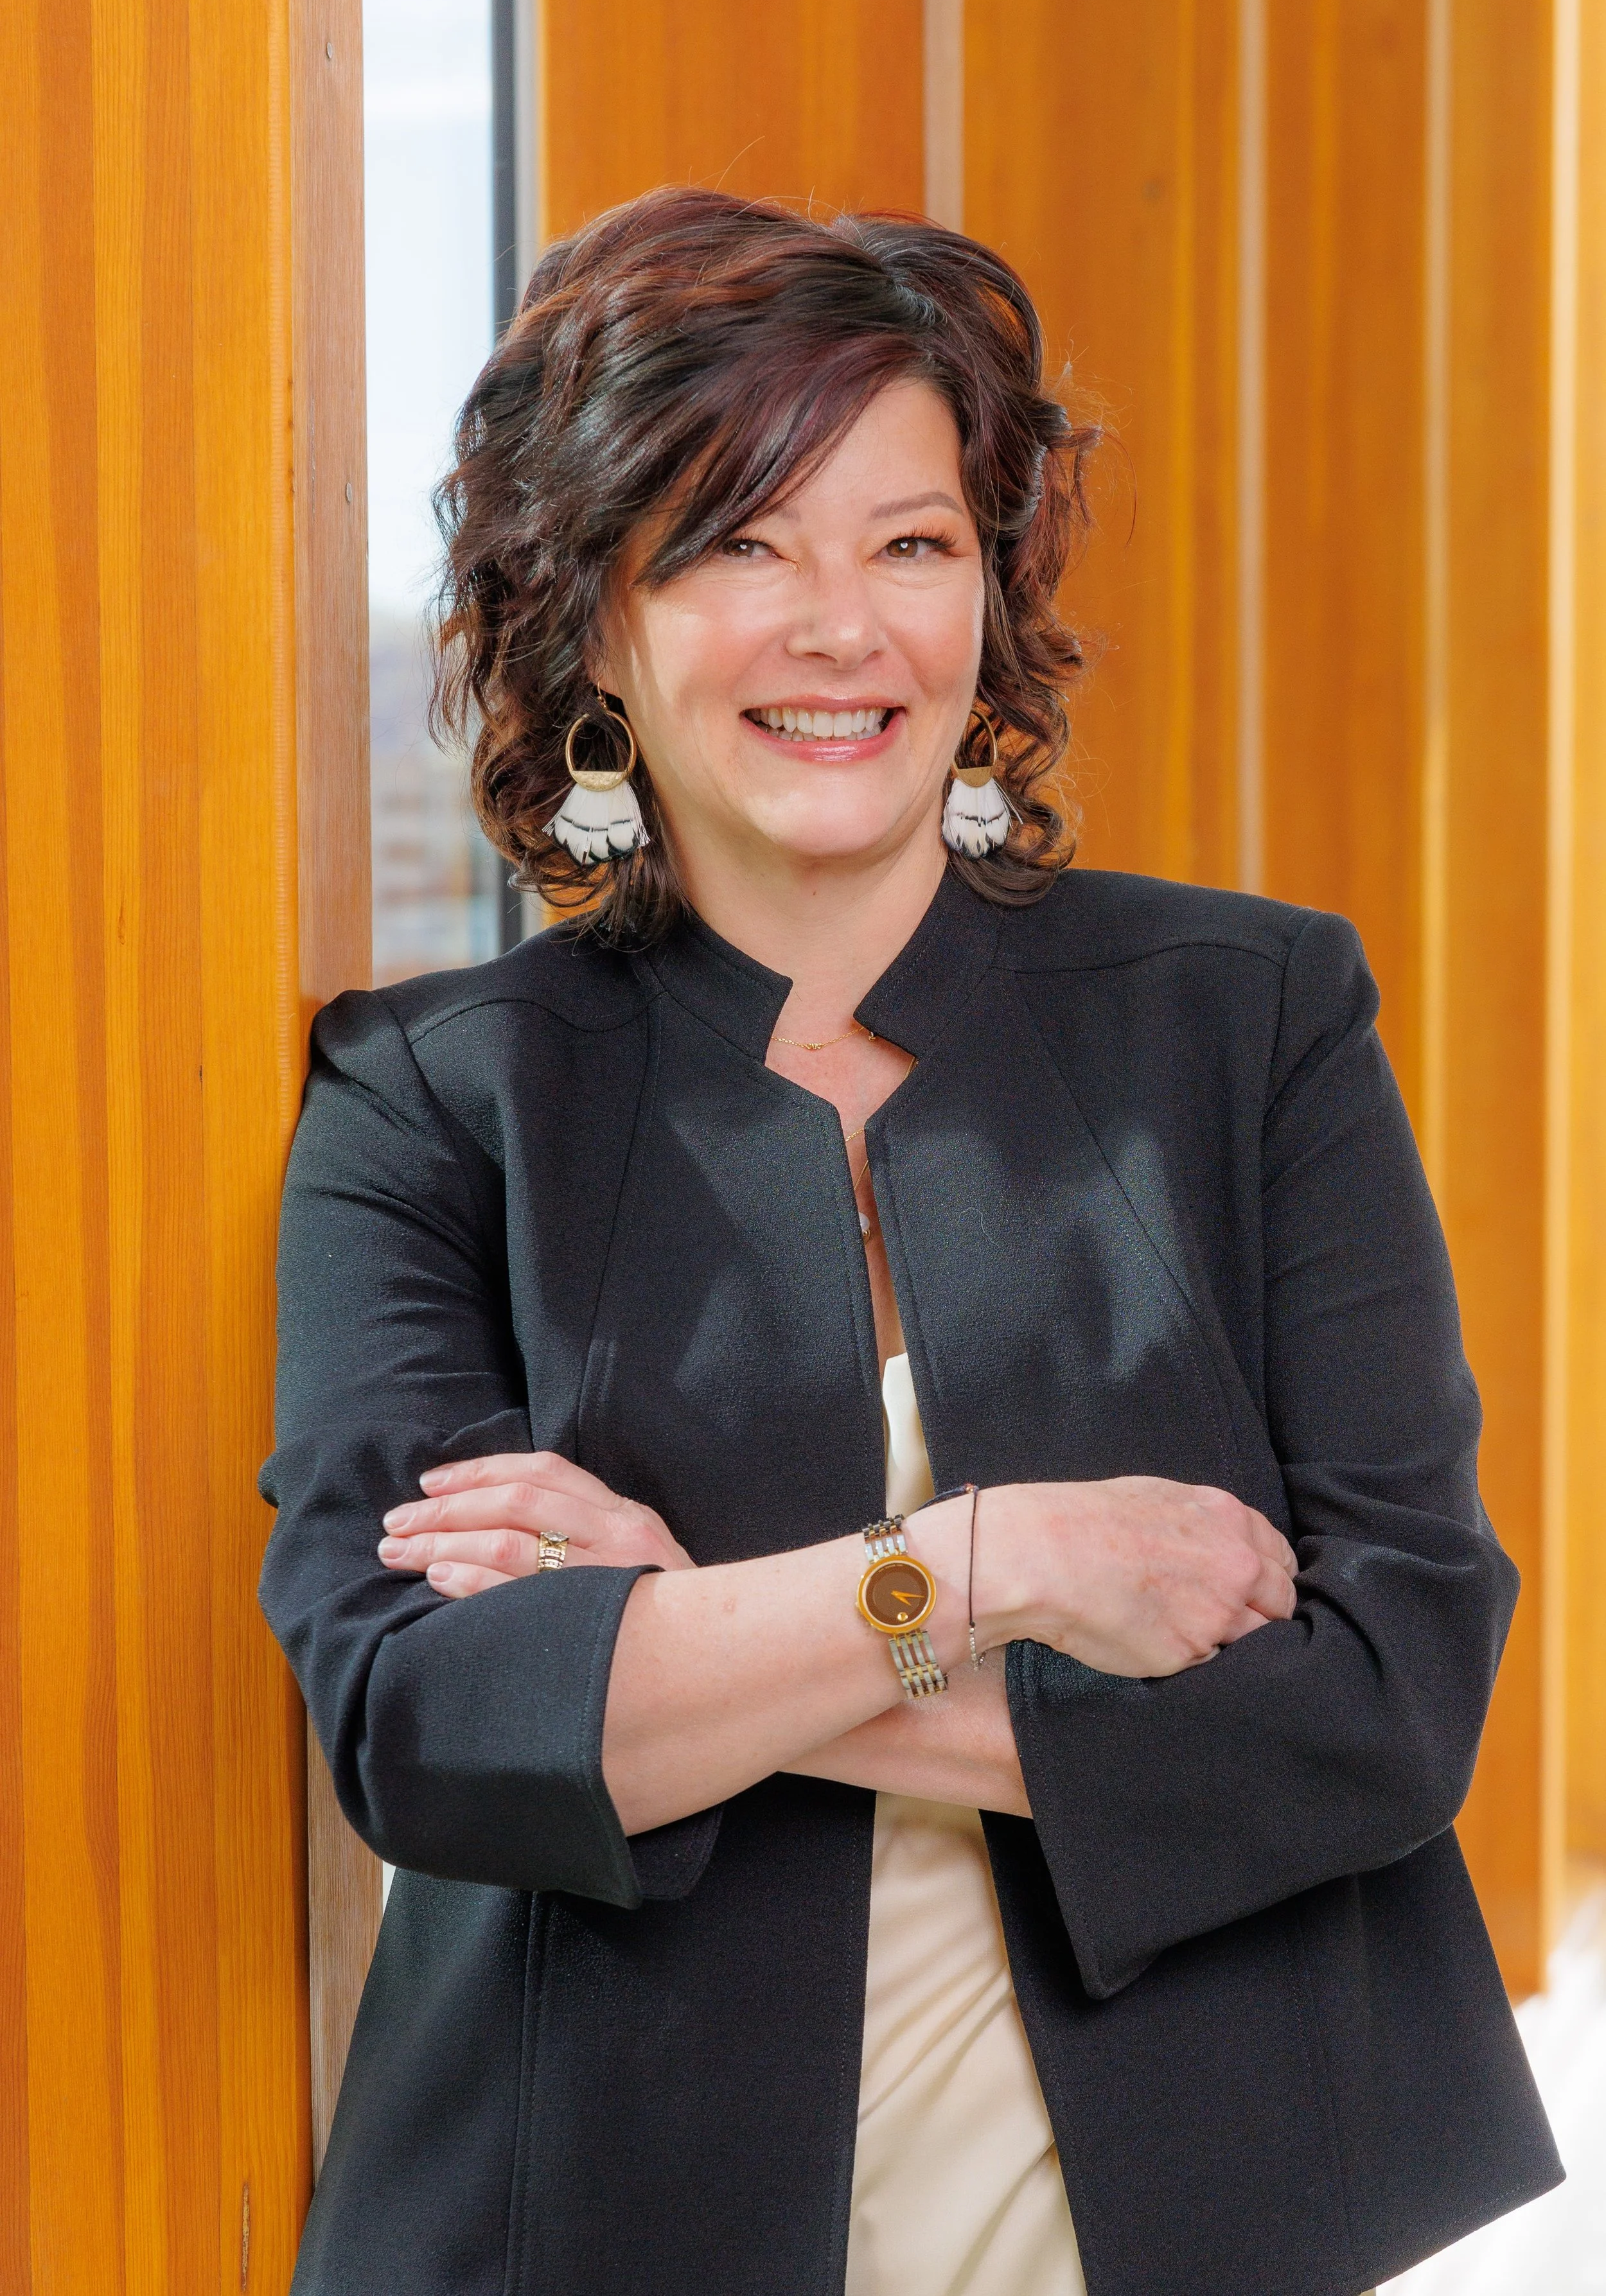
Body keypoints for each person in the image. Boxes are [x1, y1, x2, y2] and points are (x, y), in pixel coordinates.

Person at [260, 187, 1560, 2296]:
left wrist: (681, 1634)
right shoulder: (429, 1098)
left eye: (911, 542)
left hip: (1187, 2220)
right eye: (733, 544)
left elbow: (1394, 1695)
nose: (838, 625)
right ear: (589, 616)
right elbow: (430, 1722)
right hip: (595, 2222)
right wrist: (991, 1565)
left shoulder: (1246, 1021)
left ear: (991, 593)